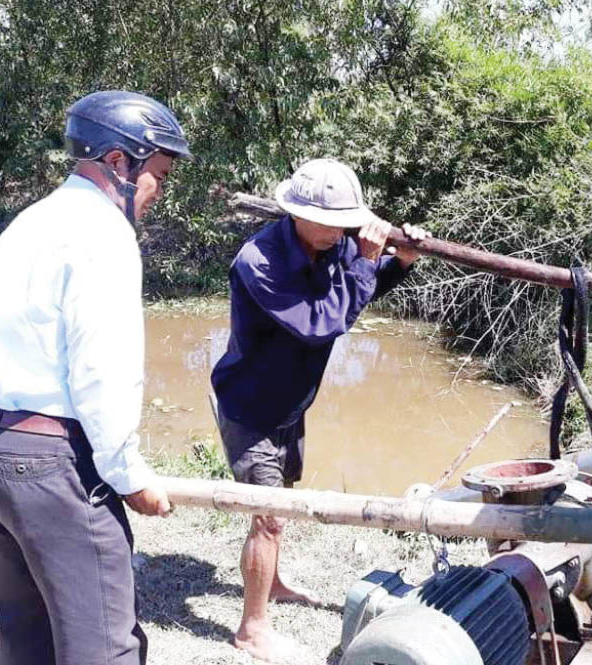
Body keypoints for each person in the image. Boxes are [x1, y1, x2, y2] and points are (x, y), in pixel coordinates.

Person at [0, 90, 191, 665]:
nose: (158, 192)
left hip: (1, 454)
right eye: (158, 175)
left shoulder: (28, 223)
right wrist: (128, 475)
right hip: (51, 464)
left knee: (22, 637)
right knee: (102, 645)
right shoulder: (103, 233)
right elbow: (102, 371)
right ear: (117, 162)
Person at [210, 157, 428, 663]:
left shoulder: (333, 244)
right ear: (297, 214)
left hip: (290, 403)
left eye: (346, 223)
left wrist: (399, 262)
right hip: (251, 408)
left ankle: (273, 583)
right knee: (269, 519)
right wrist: (367, 260)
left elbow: (356, 291)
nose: (340, 232)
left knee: (280, 504)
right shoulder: (259, 263)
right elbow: (320, 323)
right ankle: (251, 630)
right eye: (330, 223)